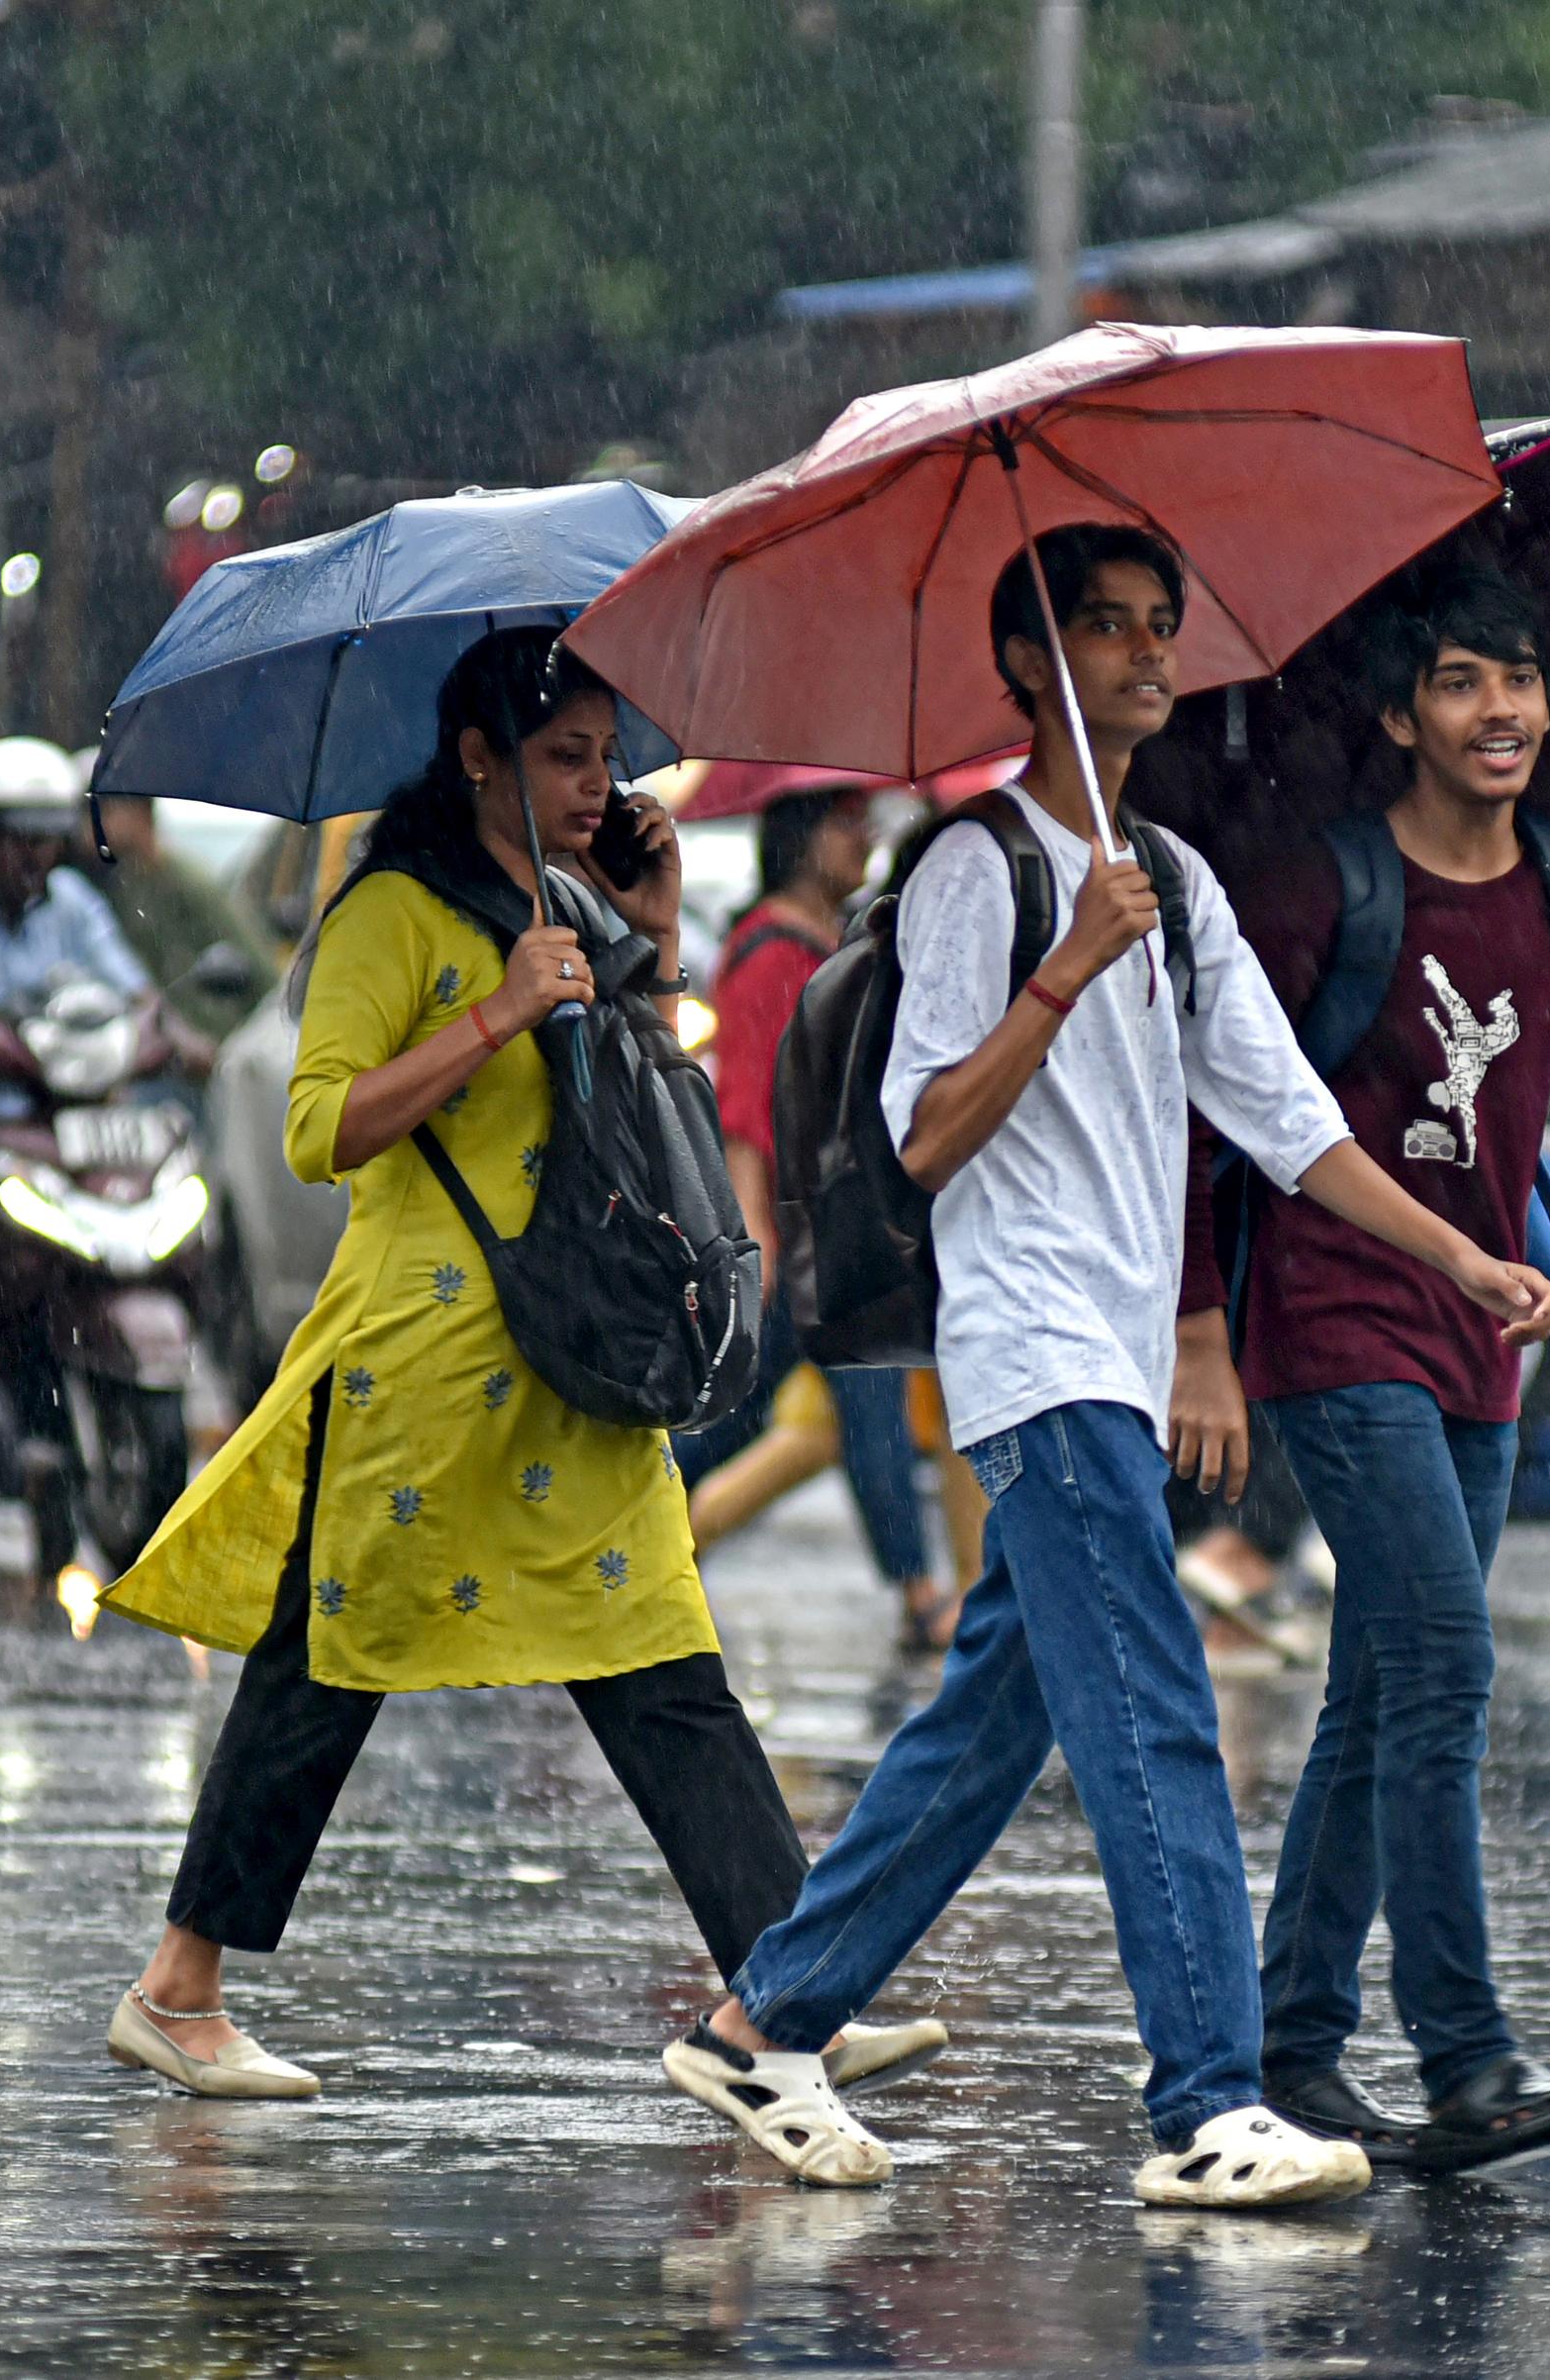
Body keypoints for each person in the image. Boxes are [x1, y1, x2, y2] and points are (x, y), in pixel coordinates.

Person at [666, 525, 1550, 2209]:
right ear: (1029, 665)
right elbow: (924, 1133)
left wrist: (1459, 1256)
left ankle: (764, 2019)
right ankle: (1209, 2098)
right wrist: (1066, 965)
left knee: (996, 1720)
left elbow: (1290, 1123)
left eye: (1161, 626)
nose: (1148, 655)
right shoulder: (976, 872)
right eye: (1105, 628)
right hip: (1036, 1347)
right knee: (1156, 1711)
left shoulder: (1176, 881)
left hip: (1121, 1354)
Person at [96, 629, 940, 2105]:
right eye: (565, 755)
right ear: (479, 756)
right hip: (419, 1362)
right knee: (326, 1656)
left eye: (607, 755)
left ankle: (788, 1986)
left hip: (571, 1350)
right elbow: (318, 1129)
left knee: (663, 1652)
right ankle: (180, 1986)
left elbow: (637, 1099)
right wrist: (491, 1013)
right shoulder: (392, 914)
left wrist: (650, 944)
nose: (598, 782)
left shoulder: (570, 901)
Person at [1178, 561, 1550, 2169]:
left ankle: (1293, 2038)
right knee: (1443, 1659)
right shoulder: (1319, 891)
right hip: (1336, 1308)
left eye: (1523, 679)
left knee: (1380, 1680)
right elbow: (1214, 1116)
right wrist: (1200, 1330)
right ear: (1401, 715)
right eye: (1465, 681)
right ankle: (1467, 2051)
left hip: (1492, 1319)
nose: (1504, 711)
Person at [687, 779, 956, 1650]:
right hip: (801, 1227)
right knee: (850, 1403)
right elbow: (748, 1104)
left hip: (838, 1218)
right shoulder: (771, 950)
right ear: (801, 836)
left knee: (758, 1411)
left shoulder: (830, 939)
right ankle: (921, 1595)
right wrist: (754, 1233)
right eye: (846, 823)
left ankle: (631, 1528)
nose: (863, 837)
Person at [0, 736, 160, 1057]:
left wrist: (145, 1028)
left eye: (46, 840)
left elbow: (133, 990)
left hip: (68, 1074)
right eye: (18, 840)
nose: (33, 857)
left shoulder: (72, 899)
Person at [91, 787, 281, 1045]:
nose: (102, 823)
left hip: (218, 1036)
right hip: (162, 1036)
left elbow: (251, 958)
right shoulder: (127, 886)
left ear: (140, 813)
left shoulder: (187, 883)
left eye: (111, 812)